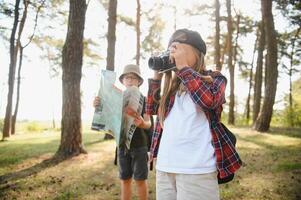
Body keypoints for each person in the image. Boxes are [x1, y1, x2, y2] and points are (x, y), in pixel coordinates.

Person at [146, 29, 242, 200]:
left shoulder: (215, 78)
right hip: (166, 167)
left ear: (197, 53)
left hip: (197, 169)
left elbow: (209, 100)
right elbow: (151, 109)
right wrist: (157, 76)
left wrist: (183, 68)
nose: (172, 53)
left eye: (177, 47)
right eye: (170, 49)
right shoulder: (172, 87)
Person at [94, 64, 151, 200]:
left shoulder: (145, 99)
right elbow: (106, 117)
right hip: (122, 146)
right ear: (123, 81)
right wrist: (98, 105)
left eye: (133, 78)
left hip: (140, 146)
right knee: (125, 180)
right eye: (127, 77)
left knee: (140, 180)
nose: (130, 80)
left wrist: (143, 123)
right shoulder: (116, 99)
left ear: (139, 81)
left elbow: (149, 124)